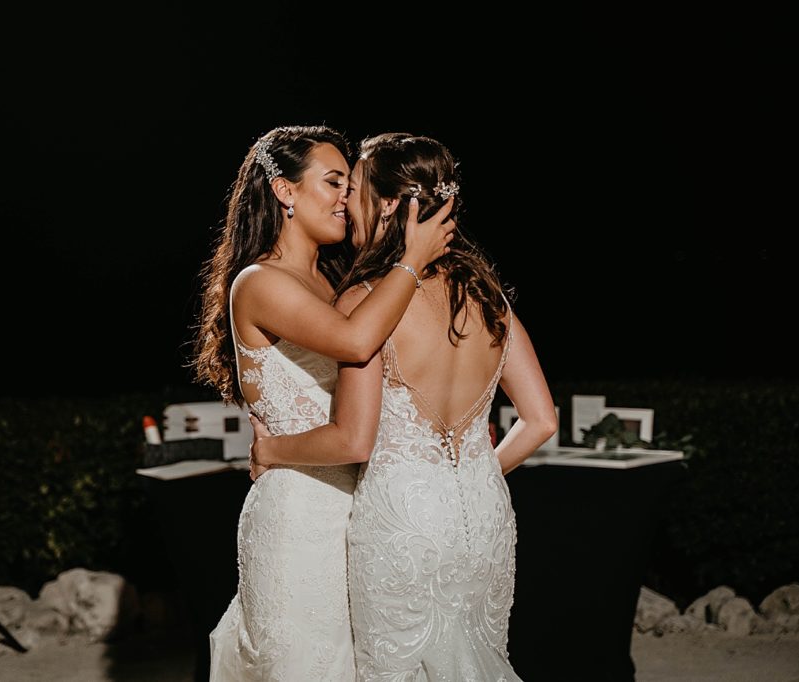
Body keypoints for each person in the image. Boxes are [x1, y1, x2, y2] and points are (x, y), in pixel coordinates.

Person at [249, 132, 558, 680]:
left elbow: (354, 438)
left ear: (389, 203)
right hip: (483, 514)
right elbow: (542, 421)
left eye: (356, 188)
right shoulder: (487, 296)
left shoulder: (364, 302)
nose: (348, 201)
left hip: (401, 524)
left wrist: (268, 449)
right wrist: (467, 477)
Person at [192, 125, 456, 681]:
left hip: (363, 515)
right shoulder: (259, 282)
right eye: (334, 182)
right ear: (285, 191)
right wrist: (412, 260)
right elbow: (355, 343)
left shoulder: (336, 283)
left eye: (350, 185)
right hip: (298, 517)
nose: (346, 197)